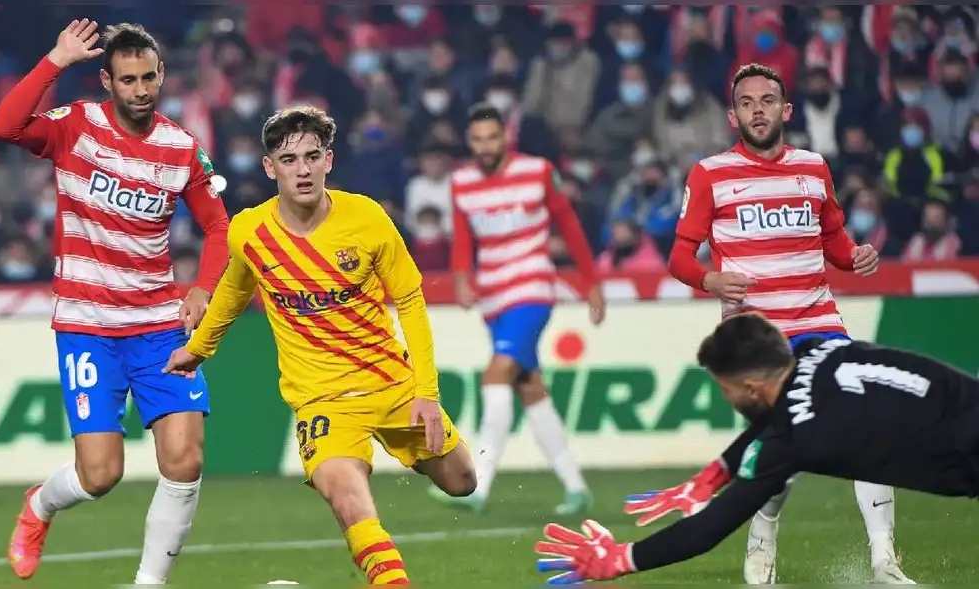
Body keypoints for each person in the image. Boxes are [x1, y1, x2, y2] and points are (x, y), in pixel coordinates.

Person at [163, 106, 477, 585]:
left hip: (391, 385)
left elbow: (410, 301)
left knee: (462, 482)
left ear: (329, 160)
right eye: (289, 160)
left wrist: (426, 394)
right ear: (270, 168)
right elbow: (233, 291)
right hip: (321, 402)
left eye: (312, 157)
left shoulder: (367, 218)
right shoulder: (251, 230)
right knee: (348, 498)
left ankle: (406, 450)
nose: (302, 169)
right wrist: (200, 347)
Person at [0, 20, 229, 583]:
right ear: (107, 81)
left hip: (158, 326)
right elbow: (4, 125)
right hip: (87, 326)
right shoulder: (75, 127)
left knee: (186, 460)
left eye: (149, 77)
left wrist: (202, 288)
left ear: (162, 75)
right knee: (99, 475)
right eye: (128, 80)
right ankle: (40, 506)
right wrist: (54, 61)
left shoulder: (181, 148)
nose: (141, 89)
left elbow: (219, 227)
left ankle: (148, 585)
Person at [657, 62, 907, 584]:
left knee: (867, 428)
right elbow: (680, 257)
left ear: (785, 110)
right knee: (782, 453)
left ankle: (885, 560)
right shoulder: (710, 174)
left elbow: (833, 241)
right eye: (747, 103)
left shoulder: (814, 168)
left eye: (767, 101)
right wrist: (709, 282)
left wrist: (856, 255)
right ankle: (764, 529)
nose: (757, 110)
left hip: (820, 321)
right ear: (733, 115)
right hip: (757, 339)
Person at [535, 312, 979, 584]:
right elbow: (776, 414)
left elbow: (708, 530)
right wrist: (714, 474)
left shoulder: (793, 441)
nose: (727, 399)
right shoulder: (818, 352)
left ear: (749, 386)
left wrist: (622, 559)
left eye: (725, 389)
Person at [427, 103, 605, 516]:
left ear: (506, 135)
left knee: (497, 373)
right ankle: (576, 488)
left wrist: (591, 282)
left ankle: (477, 485)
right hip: (492, 296)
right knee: (530, 390)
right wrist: (460, 276)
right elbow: (462, 238)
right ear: (469, 142)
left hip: (532, 288)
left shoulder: (538, 171)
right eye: (477, 139)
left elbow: (570, 226)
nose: (486, 146)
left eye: (492, 137)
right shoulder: (462, 181)